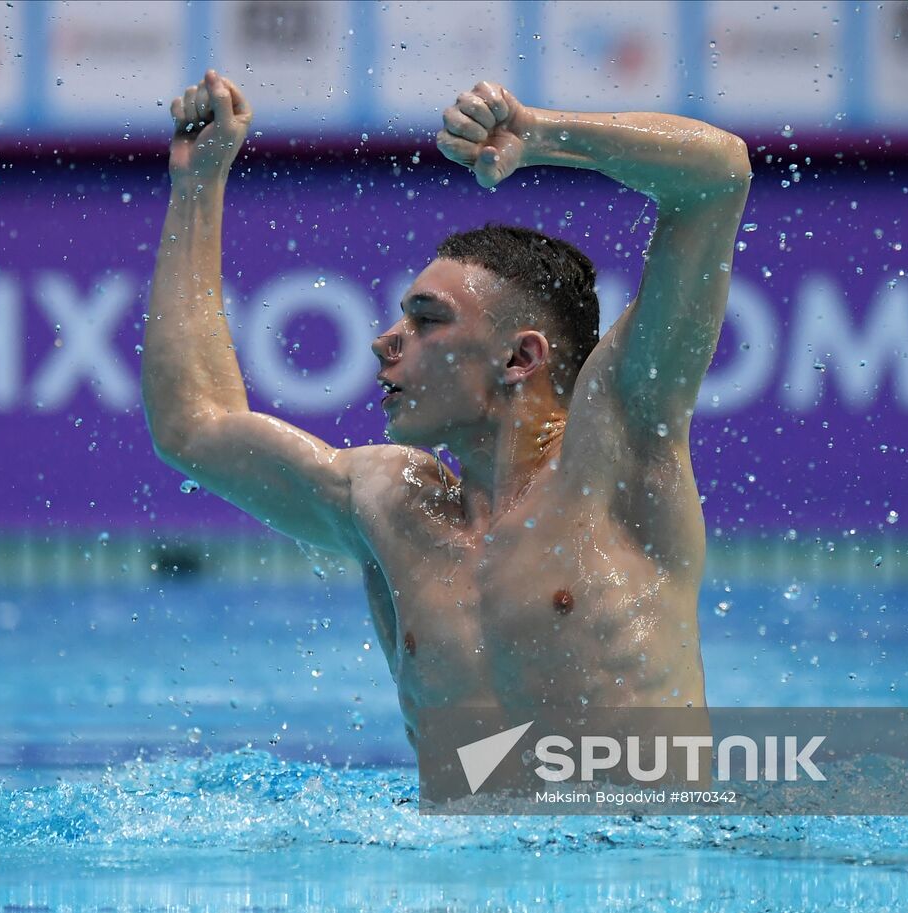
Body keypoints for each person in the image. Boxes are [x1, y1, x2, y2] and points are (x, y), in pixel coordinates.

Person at [143, 70, 751, 758]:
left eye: (425, 320)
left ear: (521, 358)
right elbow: (191, 424)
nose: (383, 340)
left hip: (646, 854)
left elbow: (718, 175)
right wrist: (197, 185)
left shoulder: (619, 451)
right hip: (459, 860)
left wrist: (544, 132)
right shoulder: (389, 505)